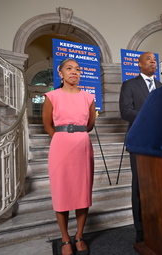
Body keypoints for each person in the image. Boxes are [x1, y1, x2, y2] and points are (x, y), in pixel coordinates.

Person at [42, 58, 96, 255]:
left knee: (82, 191)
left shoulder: (88, 97)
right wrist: (60, 138)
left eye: (78, 69)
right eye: (69, 68)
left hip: (82, 146)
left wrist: (78, 135)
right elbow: (47, 123)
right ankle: (65, 237)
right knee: (61, 191)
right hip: (60, 146)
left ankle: (79, 235)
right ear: (60, 72)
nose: (74, 72)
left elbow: (90, 124)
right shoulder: (52, 96)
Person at [119, 51, 162, 243]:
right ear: (139, 64)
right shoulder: (130, 84)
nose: (153, 62)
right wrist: (150, 116)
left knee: (158, 186)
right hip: (139, 142)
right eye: (149, 59)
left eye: (155, 60)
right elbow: (126, 111)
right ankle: (140, 227)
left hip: (161, 143)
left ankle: (158, 222)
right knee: (139, 186)